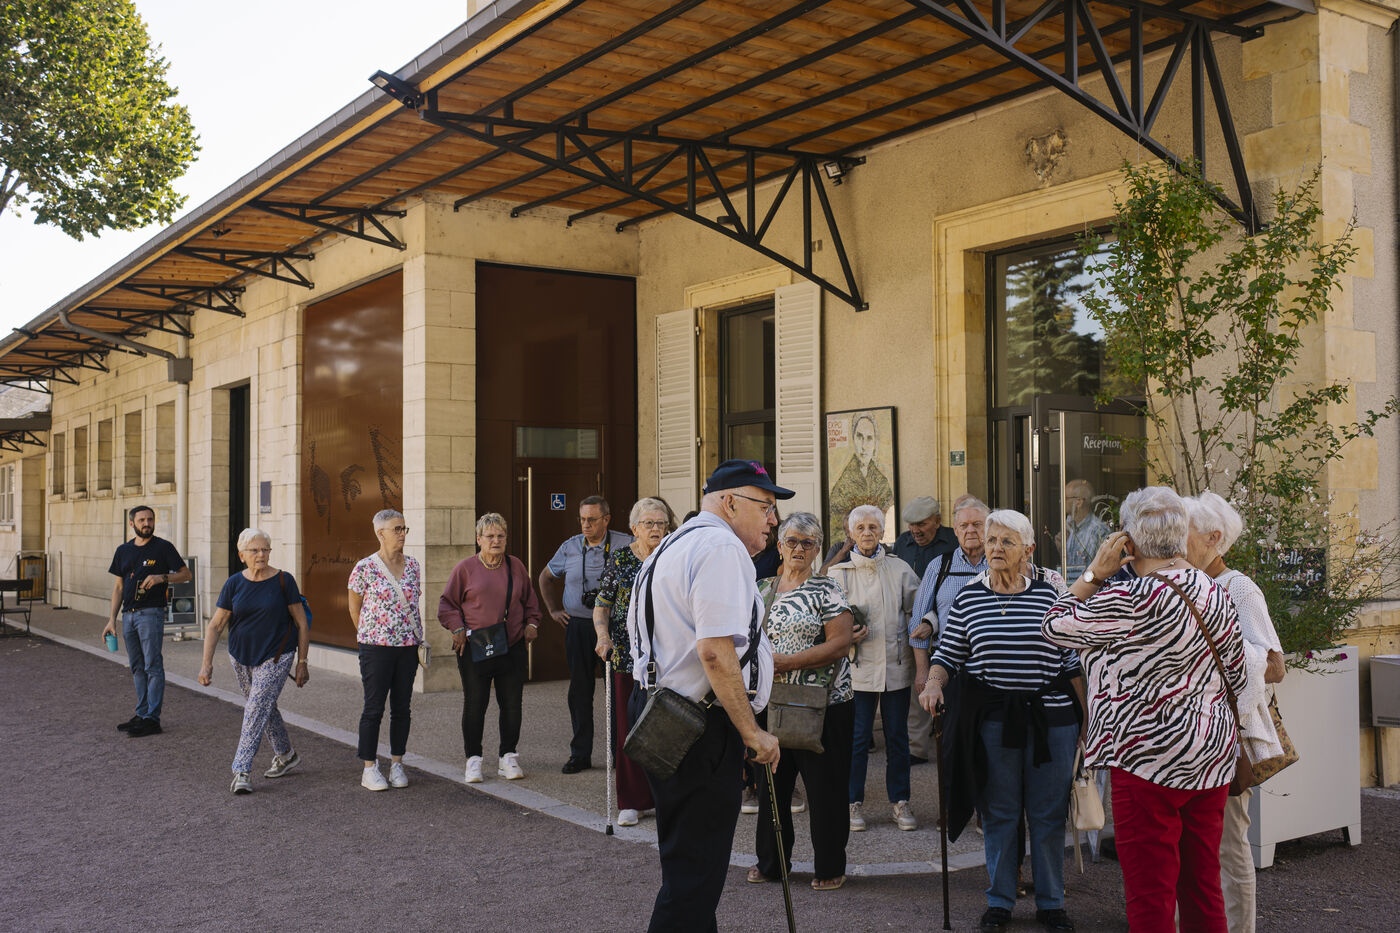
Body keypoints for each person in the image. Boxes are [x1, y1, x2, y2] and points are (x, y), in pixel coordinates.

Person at [1043, 487, 1246, 933]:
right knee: (1203, 885)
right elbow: (1238, 673)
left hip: (1145, 758)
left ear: (1128, 542)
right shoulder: (1215, 591)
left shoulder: (1131, 599)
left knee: (1151, 895)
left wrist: (1094, 573)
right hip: (1210, 753)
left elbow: (1055, 625)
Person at [626, 459, 782, 932]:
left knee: (686, 862)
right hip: (697, 724)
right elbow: (714, 651)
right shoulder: (720, 546)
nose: (773, 519)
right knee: (694, 875)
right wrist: (752, 733)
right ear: (730, 502)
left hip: (662, 711)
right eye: (765, 506)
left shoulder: (672, 543)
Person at [919, 510, 1084, 933]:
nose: (995, 548)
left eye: (1007, 541)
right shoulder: (968, 598)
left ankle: (1051, 903)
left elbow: (1071, 664)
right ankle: (1000, 901)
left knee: (1048, 815)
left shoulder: (1050, 596)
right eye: (992, 540)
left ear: (1028, 550)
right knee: (999, 813)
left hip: (1052, 721)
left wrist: (1088, 722)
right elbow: (947, 655)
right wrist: (933, 684)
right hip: (991, 723)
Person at [1186, 491, 1286, 933]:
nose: (1175, 541)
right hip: (1189, 735)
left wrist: (1217, 663)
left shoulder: (1238, 588)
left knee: (1229, 844)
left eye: (1184, 532)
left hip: (1227, 736)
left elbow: (1275, 666)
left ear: (1213, 538)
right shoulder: (1182, 582)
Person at [747, 511, 854, 891]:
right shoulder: (761, 588)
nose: (798, 549)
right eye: (791, 541)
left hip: (823, 706)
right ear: (779, 546)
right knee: (771, 787)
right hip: (771, 703)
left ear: (817, 549)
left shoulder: (828, 589)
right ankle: (772, 863)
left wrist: (787, 662)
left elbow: (840, 644)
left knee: (826, 790)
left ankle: (829, 867)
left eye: (807, 543)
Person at [828, 504, 920, 833]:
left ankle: (901, 800)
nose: (867, 533)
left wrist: (928, 626)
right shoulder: (837, 575)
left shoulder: (900, 569)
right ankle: (852, 801)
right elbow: (824, 623)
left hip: (895, 666)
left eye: (873, 527)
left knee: (898, 738)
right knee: (856, 740)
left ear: (882, 532)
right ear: (851, 534)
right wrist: (846, 635)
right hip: (856, 670)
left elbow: (919, 610)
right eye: (861, 528)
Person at [197, 528, 310, 794]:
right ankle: (286, 754)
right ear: (242, 555)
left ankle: (242, 770)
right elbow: (216, 625)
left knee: (255, 708)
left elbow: (302, 623)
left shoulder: (284, 580)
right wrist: (206, 664)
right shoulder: (234, 583)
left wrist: (302, 661)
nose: (261, 555)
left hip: (277, 655)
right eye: (254, 550)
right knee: (263, 707)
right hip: (241, 656)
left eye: (265, 549)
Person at [440, 513, 541, 784]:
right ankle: (473, 760)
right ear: (478, 539)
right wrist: (457, 629)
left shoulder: (516, 566)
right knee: (475, 704)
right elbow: (447, 605)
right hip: (476, 646)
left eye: (500, 536)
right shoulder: (465, 569)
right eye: (490, 536)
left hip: (511, 645)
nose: (495, 541)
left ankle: (508, 757)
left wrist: (532, 624)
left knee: (512, 704)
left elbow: (531, 602)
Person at [538, 495, 634, 774]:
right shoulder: (570, 546)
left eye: (592, 519)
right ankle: (580, 754)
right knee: (580, 691)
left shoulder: (625, 544)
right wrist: (554, 610)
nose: (586, 525)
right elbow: (545, 577)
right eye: (582, 519)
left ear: (606, 519)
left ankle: (620, 755)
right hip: (578, 626)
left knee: (617, 691)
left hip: (615, 628)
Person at [592, 497, 672, 826]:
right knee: (628, 730)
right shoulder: (621, 560)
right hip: (627, 658)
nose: (656, 529)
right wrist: (603, 636)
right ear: (634, 528)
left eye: (661, 523)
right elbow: (602, 606)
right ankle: (631, 801)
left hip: (668, 658)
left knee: (666, 728)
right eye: (649, 523)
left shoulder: (672, 557)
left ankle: (664, 797)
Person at [908, 495, 991, 762]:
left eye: (977, 524)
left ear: (989, 527)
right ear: (955, 530)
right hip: (949, 670)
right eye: (964, 526)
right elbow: (916, 624)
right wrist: (923, 672)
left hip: (993, 670)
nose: (970, 531)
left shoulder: (1000, 563)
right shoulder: (939, 566)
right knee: (955, 743)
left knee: (991, 743)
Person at [348, 509, 422, 791]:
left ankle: (397, 763)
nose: (402, 534)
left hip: (407, 647)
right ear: (380, 533)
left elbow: (413, 603)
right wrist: (369, 636)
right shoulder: (365, 567)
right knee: (374, 707)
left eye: (404, 528)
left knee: (402, 707)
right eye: (396, 529)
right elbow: (354, 608)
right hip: (375, 648)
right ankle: (369, 768)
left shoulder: (413, 565)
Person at [102, 505, 192, 738]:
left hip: (151, 614)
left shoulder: (163, 547)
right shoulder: (123, 550)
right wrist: (111, 620)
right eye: (142, 520)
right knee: (136, 666)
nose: (147, 524)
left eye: (150, 519)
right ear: (132, 523)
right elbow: (119, 587)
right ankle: (142, 713)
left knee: (152, 665)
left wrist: (162, 577)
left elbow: (186, 574)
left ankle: (152, 718)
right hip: (128, 615)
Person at [828, 411, 893, 539]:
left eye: (869, 438)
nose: (864, 446)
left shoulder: (882, 483)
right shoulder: (843, 484)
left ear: (875, 443)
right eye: (859, 437)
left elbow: (890, 523)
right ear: (853, 439)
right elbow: (835, 528)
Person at [893, 496, 958, 578]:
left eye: (921, 524)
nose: (915, 531)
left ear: (937, 521)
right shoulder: (902, 543)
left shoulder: (956, 540)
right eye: (911, 524)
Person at [1061, 479, 1110, 580]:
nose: (1061, 501)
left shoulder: (1098, 531)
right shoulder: (1070, 528)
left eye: (1065, 498)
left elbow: (1103, 571)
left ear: (1078, 502)